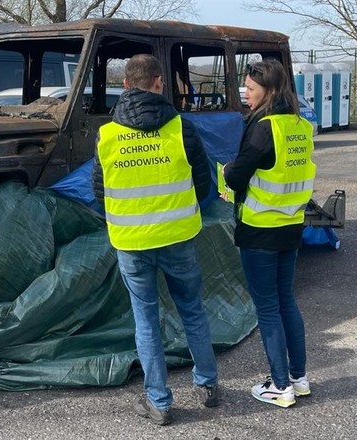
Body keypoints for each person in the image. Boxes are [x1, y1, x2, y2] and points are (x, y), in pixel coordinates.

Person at [92, 54, 219, 426]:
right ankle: (208, 385)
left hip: (131, 241)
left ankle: (159, 402)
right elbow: (203, 183)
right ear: (160, 83)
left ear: (126, 85)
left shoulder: (107, 134)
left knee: (145, 320)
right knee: (192, 309)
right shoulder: (181, 128)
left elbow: (98, 192)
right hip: (178, 236)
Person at [222, 59, 316, 408]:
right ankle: (298, 378)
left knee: (268, 308)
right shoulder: (299, 125)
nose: (244, 94)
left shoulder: (263, 127)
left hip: (260, 230)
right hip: (291, 226)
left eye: (249, 88)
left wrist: (229, 172)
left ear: (269, 90)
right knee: (286, 301)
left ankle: (280, 386)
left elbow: (236, 176)